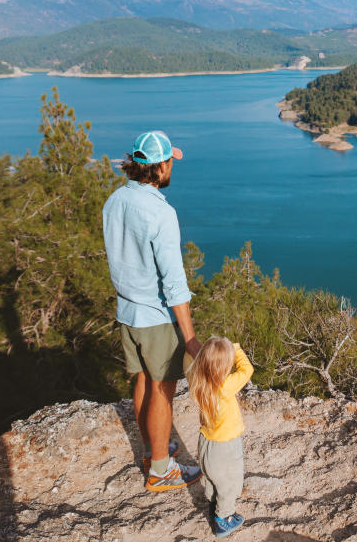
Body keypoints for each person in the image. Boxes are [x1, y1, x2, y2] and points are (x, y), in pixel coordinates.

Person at [102, 130, 203, 491]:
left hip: (127, 312)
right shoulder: (160, 211)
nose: (172, 166)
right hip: (156, 317)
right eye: (170, 161)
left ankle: (151, 449)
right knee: (162, 389)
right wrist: (190, 339)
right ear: (159, 168)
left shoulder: (114, 201)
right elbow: (174, 282)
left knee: (143, 380)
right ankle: (161, 470)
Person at [187, 336, 254, 537]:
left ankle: (213, 504)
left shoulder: (198, 382)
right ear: (225, 366)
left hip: (207, 442)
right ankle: (223, 520)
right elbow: (247, 370)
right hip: (225, 446)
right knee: (229, 483)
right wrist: (235, 349)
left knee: (212, 477)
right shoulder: (224, 386)